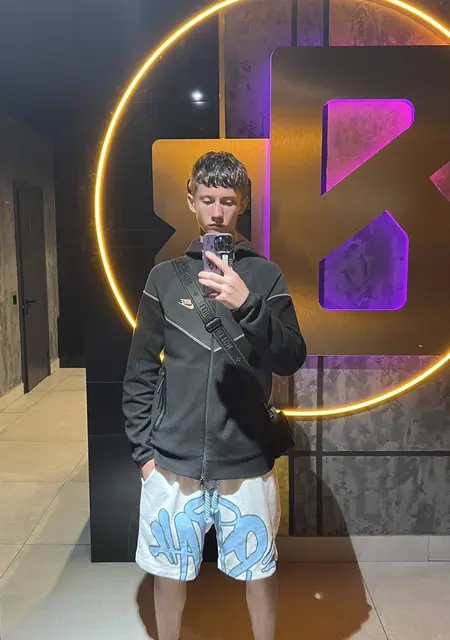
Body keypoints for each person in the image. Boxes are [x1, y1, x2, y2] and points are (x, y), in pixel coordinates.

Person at [123, 151, 306, 640]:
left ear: (242, 203)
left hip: (245, 460)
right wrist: (144, 454)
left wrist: (247, 304)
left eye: (228, 201)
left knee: (259, 575)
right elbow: (140, 371)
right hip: (171, 461)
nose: (218, 212)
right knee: (169, 576)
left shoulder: (265, 276)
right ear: (191, 201)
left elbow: (291, 357)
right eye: (208, 200)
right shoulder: (164, 278)